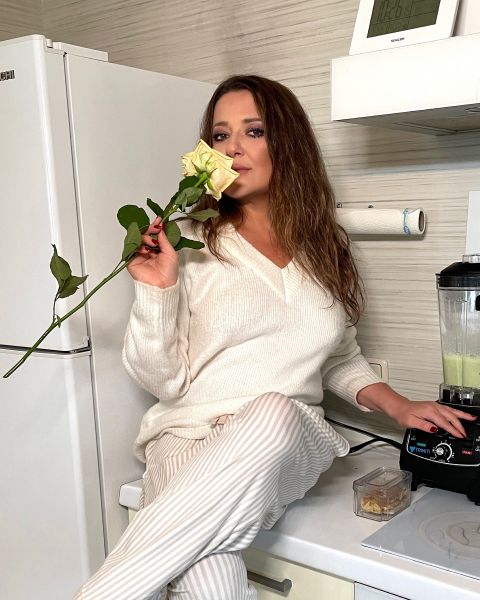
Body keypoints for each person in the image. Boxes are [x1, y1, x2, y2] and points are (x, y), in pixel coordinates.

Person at [74, 75, 476, 600]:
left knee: (272, 410)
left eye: (254, 131)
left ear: (286, 144)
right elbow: (164, 382)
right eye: (220, 135)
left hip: (283, 442)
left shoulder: (324, 246)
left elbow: (337, 356)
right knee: (211, 583)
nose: (232, 148)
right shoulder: (186, 240)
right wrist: (157, 290)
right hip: (187, 441)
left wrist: (399, 407)